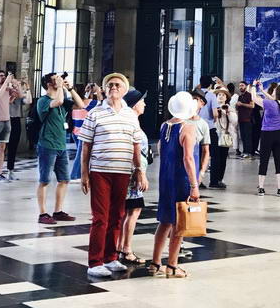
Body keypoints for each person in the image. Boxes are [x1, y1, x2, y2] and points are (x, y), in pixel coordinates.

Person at [80, 73, 147, 278]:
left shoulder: (130, 115)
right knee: (100, 217)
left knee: (117, 215)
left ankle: (111, 257)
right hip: (100, 170)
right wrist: (84, 173)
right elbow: (86, 146)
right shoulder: (95, 113)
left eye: (118, 85)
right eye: (110, 85)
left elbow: (136, 146)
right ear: (105, 89)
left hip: (123, 171)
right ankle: (95, 261)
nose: (113, 88)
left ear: (124, 90)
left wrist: (140, 172)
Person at [148, 91, 199, 278]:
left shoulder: (164, 126)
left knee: (165, 221)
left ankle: (155, 262)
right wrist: (194, 185)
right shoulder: (188, 128)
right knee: (179, 224)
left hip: (165, 177)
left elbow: (161, 149)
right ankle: (172, 265)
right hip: (180, 179)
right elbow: (188, 158)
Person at [37, 73, 84, 224]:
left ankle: (58, 211)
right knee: (45, 180)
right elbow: (58, 101)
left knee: (64, 179)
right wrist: (60, 87)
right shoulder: (43, 101)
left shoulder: (62, 99)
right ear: (49, 84)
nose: (59, 79)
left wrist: (70, 88)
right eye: (55, 78)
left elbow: (81, 105)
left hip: (61, 145)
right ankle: (43, 213)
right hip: (47, 144)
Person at [118, 89, 150, 265]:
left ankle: (120, 246)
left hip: (130, 172)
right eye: (142, 101)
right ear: (134, 104)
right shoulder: (132, 123)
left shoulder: (131, 121)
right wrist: (140, 173)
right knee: (133, 210)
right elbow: (133, 151)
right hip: (133, 174)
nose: (144, 104)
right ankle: (126, 249)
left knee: (128, 211)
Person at [252, 81, 280, 196]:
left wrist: (253, 86)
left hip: (268, 134)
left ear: (276, 94)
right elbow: (273, 100)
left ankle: (261, 188)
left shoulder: (269, 104)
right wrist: (262, 90)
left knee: (264, 160)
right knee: (279, 161)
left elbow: (253, 98)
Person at [70, 83, 100, 181]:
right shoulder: (90, 103)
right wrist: (98, 90)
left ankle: (82, 174)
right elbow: (101, 103)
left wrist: (90, 92)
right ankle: (75, 175)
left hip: (74, 132)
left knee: (81, 154)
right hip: (83, 133)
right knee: (81, 155)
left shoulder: (73, 104)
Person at [197, 76, 222, 189]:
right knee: (215, 155)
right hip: (209, 128)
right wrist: (213, 120)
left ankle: (198, 181)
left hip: (196, 128)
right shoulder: (211, 95)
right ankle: (214, 181)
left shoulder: (194, 95)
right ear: (210, 85)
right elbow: (215, 114)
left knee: (197, 154)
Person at [7, 78, 32, 181]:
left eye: (16, 83)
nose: (16, 85)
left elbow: (29, 100)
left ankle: (10, 170)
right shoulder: (5, 93)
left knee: (13, 146)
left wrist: (28, 88)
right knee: (1, 147)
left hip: (16, 120)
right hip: (6, 120)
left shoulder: (19, 96)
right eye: (13, 83)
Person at [190, 89, 211, 190]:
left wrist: (202, 173)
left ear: (202, 103)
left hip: (194, 166)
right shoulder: (178, 119)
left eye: (195, 99)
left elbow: (206, 151)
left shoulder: (203, 125)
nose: (192, 101)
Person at [214, 88, 234, 182]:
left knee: (223, 158)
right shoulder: (213, 107)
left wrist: (227, 113)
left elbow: (235, 121)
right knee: (215, 157)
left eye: (223, 95)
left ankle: (220, 179)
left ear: (226, 98)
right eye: (219, 95)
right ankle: (214, 178)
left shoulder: (229, 108)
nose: (221, 96)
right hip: (214, 134)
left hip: (225, 134)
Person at [235, 81, 254, 159]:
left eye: (242, 85)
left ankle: (249, 153)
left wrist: (242, 104)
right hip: (241, 119)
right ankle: (245, 151)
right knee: (243, 137)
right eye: (239, 86)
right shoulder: (239, 96)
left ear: (246, 86)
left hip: (248, 119)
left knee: (247, 137)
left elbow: (252, 105)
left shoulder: (249, 95)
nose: (240, 87)